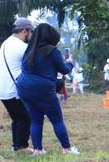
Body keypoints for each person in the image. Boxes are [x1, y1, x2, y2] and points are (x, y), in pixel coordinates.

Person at [17, 23, 79, 155]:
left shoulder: (29, 50)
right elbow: (64, 69)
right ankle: (67, 149)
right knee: (56, 119)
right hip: (42, 88)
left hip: (24, 87)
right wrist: (70, 62)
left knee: (35, 119)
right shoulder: (52, 51)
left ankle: (38, 149)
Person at [0, 17, 34, 152]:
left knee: (17, 118)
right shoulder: (21, 47)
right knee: (25, 117)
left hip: (3, 89)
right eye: (31, 32)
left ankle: (17, 145)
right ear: (24, 31)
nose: (31, 36)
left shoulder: (6, 43)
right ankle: (21, 146)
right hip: (13, 89)